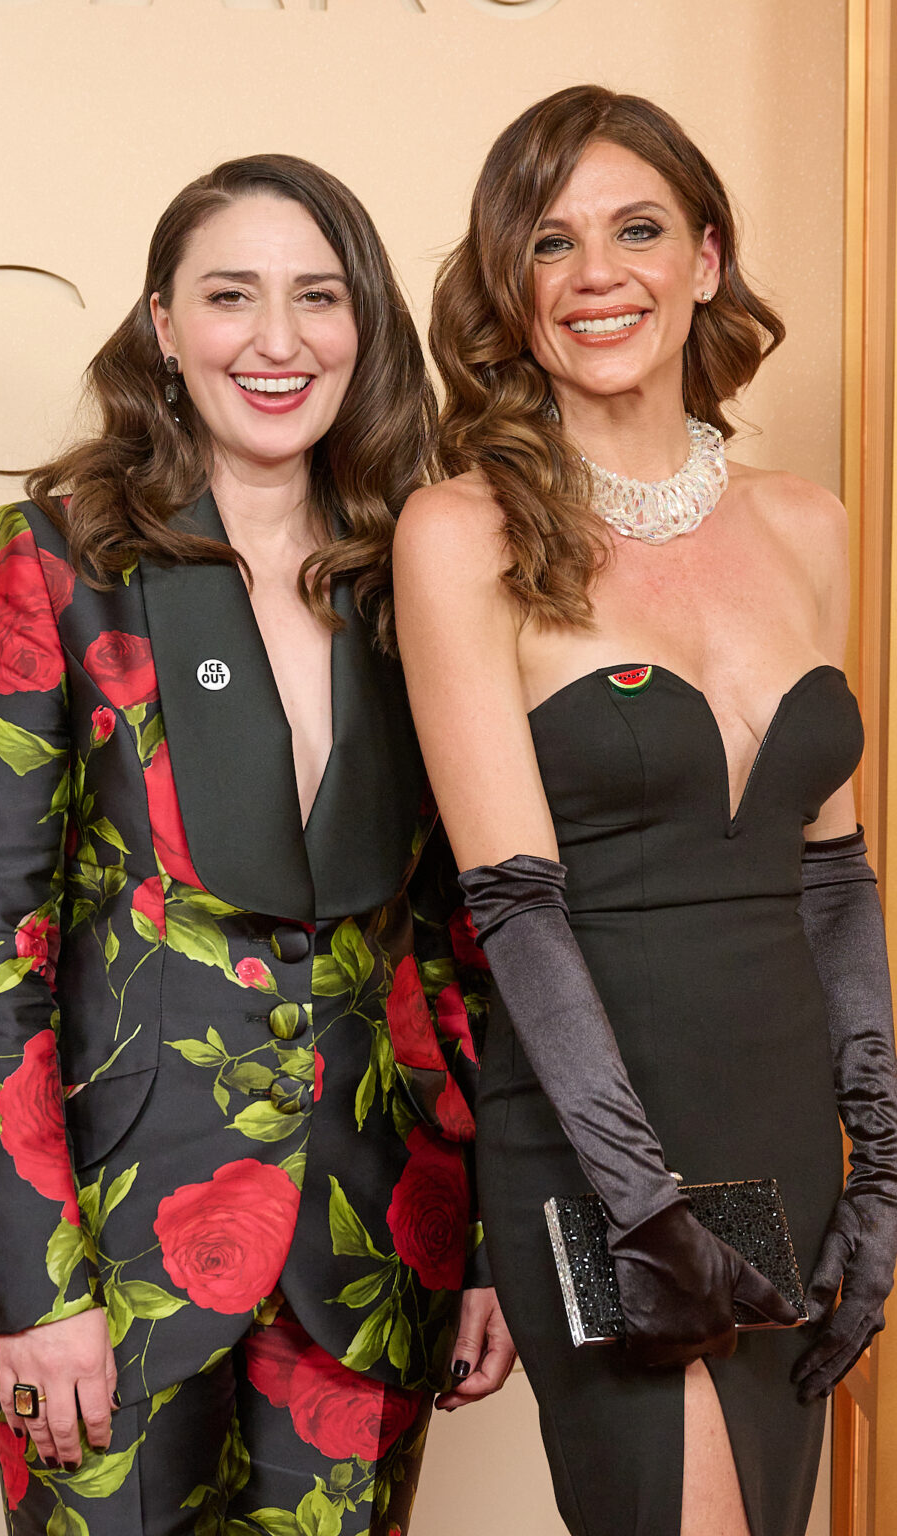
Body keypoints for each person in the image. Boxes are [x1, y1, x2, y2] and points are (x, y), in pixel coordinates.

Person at [0, 153, 513, 1536]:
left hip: (375, 1252)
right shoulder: (59, 557)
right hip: (110, 1263)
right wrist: (36, 1285)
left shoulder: (421, 572)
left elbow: (461, 936)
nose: (276, 339)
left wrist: (489, 1233)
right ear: (161, 323)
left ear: (364, 327)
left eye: (318, 296)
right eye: (230, 295)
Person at [393, 85, 897, 1536]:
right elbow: (513, 903)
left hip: (788, 1128)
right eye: (551, 243)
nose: (597, 273)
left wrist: (880, 1168)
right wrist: (643, 1205)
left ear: (707, 258)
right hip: (600, 1149)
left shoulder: (809, 524)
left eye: (638, 230)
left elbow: (833, 875)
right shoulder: (464, 530)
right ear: (511, 287)